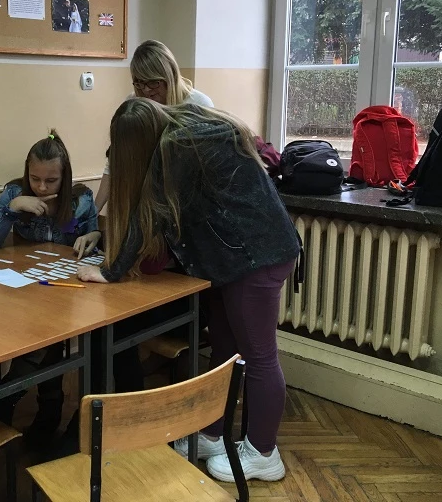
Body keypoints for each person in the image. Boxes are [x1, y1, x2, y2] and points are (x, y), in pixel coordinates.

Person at [77, 98, 301, 483]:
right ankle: (212, 435)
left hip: (256, 257)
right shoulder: (184, 124)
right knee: (225, 348)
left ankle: (264, 452)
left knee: (259, 356)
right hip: (236, 257)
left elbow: (148, 213)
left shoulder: (174, 145)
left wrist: (110, 271)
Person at [0, 130, 99, 442]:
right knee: (44, 339)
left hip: (63, 291)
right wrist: (12, 207)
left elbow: (93, 239)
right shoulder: (14, 192)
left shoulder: (80, 199)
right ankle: (42, 411)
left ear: (65, 177)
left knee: (50, 335)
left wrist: (95, 236)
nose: (42, 187)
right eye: (35, 179)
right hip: (22, 291)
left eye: (51, 180)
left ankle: (13, 397)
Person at [94, 40, 214, 214]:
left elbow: (207, 166)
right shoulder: (134, 104)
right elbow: (116, 160)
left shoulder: (199, 105)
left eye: (153, 82)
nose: (146, 91)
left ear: (170, 76)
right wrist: (95, 209)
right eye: (139, 83)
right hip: (146, 199)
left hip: (187, 201)